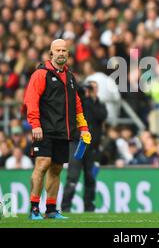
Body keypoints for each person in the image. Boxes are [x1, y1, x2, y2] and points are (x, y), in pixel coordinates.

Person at [23, 39, 92, 220]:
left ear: (68, 54)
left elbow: (77, 104)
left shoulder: (70, 77)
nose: (61, 53)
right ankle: (34, 208)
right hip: (44, 129)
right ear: (51, 53)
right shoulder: (40, 74)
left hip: (64, 130)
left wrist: (83, 127)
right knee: (42, 164)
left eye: (64, 50)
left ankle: (51, 209)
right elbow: (31, 100)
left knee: (56, 169)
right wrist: (35, 124)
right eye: (58, 50)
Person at [62, 81, 108, 212]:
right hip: (78, 144)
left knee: (90, 177)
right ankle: (65, 207)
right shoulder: (80, 102)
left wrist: (92, 98)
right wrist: (85, 96)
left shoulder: (99, 104)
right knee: (73, 177)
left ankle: (89, 208)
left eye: (93, 87)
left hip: (92, 146)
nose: (91, 89)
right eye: (89, 87)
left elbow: (102, 116)